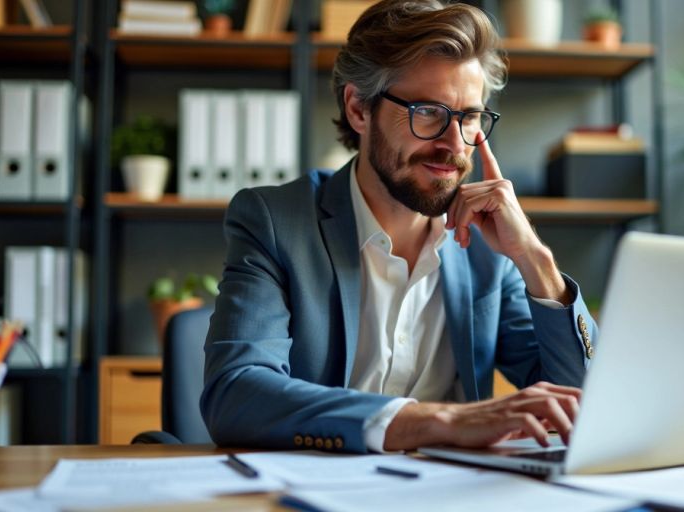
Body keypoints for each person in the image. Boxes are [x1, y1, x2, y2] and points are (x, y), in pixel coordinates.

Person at [200, 0, 598, 454]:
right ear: (358, 109)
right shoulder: (276, 223)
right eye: (428, 112)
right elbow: (235, 394)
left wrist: (535, 259)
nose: (454, 145)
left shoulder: (490, 243)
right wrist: (440, 420)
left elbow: (587, 402)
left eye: (469, 117)